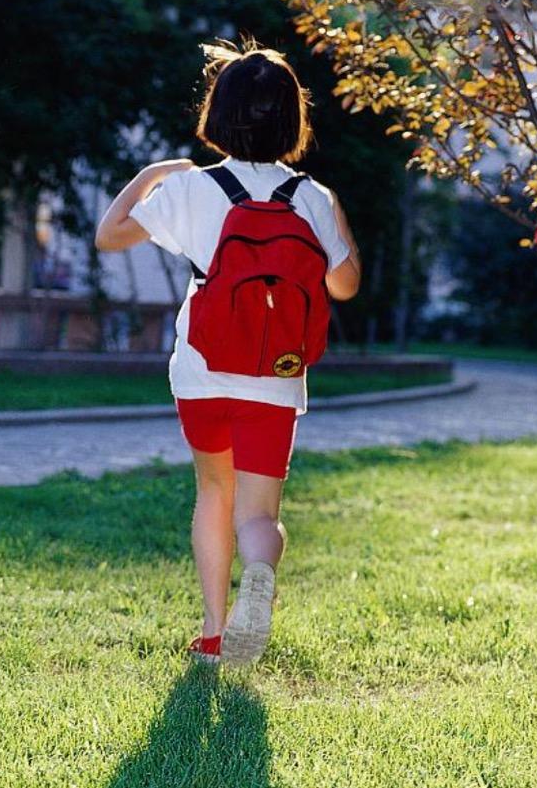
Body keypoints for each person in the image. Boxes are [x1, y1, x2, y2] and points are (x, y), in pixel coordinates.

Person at [95, 42, 361, 665]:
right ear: (293, 120)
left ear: (217, 114)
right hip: (275, 379)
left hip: (202, 372)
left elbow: (109, 237)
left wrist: (152, 173)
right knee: (258, 512)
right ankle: (259, 581)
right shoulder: (313, 196)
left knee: (214, 491)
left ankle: (215, 633)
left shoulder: (194, 188)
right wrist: (334, 216)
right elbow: (344, 285)